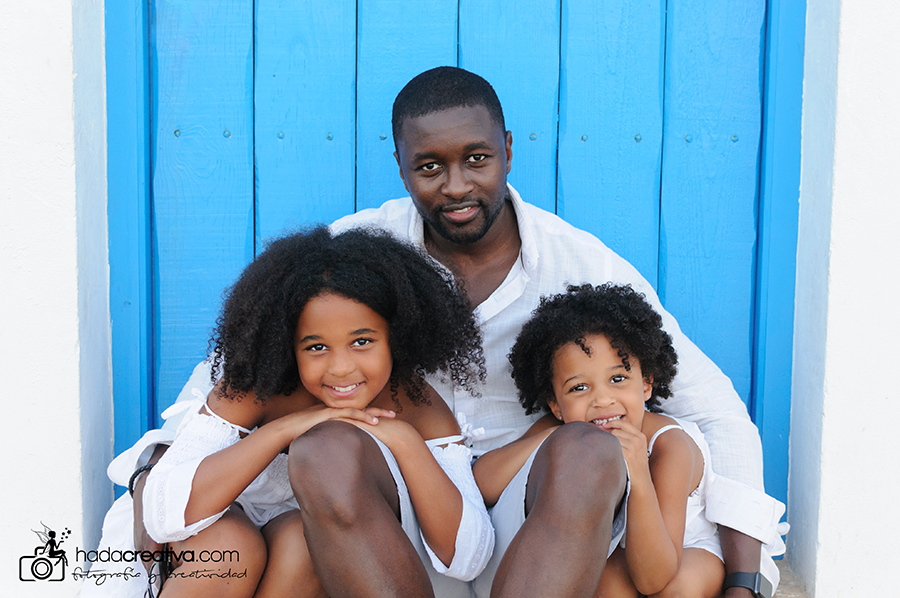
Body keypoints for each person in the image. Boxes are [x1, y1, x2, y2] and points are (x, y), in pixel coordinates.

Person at [123, 66, 785, 597]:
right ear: (402, 166)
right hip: (386, 521)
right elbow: (230, 379)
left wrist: (745, 578)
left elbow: (713, 410)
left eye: (477, 159)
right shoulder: (358, 254)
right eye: (429, 167)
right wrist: (155, 475)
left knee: (587, 449)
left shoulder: (579, 263)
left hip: (539, 524)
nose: (456, 185)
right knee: (324, 448)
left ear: (508, 151)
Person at [86, 227, 493, 598]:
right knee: (231, 549)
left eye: (362, 342)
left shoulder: (417, 405)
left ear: (396, 336)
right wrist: (284, 429)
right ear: (287, 344)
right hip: (208, 543)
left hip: (295, 555)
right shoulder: (257, 386)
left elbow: (467, 559)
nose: (341, 368)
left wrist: (404, 440)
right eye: (316, 347)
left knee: (305, 542)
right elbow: (162, 516)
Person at [477, 282, 739, 597]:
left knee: (675, 591)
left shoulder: (670, 448)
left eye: (618, 379)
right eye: (578, 388)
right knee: (606, 585)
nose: (602, 400)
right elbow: (484, 482)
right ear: (556, 404)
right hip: (618, 549)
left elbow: (653, 578)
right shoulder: (560, 429)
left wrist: (639, 472)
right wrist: (556, 434)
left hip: (685, 547)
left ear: (646, 384)